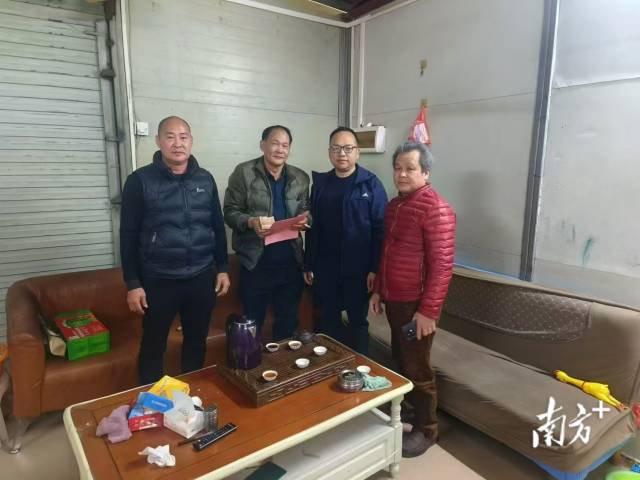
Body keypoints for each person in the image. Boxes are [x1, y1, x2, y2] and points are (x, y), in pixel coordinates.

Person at [120, 116, 230, 385]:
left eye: (183, 137)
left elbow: (216, 225)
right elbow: (128, 235)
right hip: (159, 278)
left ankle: (191, 395)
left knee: (196, 341)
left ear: (191, 141)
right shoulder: (139, 180)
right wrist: (133, 283)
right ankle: (152, 399)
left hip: (201, 276)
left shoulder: (205, 179)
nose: (177, 143)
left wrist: (223, 268)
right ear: (158, 141)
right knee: (153, 344)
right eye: (170, 137)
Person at [369, 141, 456, 457]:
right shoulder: (395, 205)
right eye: (398, 168)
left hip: (417, 306)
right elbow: (388, 253)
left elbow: (442, 267)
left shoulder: (437, 209)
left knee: (418, 367)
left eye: (410, 168)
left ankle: (428, 429)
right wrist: (379, 290)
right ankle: (410, 412)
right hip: (395, 301)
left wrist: (428, 311)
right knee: (401, 358)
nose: (402, 174)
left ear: (426, 172)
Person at [304, 126, 387, 354]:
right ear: (329, 152)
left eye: (348, 148)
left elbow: (381, 231)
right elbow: (313, 228)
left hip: (359, 270)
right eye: (336, 148)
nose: (342, 153)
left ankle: (360, 367)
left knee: (357, 322)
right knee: (328, 320)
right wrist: (308, 263)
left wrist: (375, 269)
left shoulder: (370, 184)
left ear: (357, 152)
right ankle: (331, 365)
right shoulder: (320, 184)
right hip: (326, 267)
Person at [223, 125, 309, 341]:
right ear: (263, 145)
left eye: (285, 145)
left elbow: (307, 211)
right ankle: (251, 362)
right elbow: (230, 212)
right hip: (256, 264)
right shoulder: (244, 173)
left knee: (288, 324)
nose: (280, 149)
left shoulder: (300, 177)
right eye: (275, 143)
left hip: (290, 263)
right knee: (253, 324)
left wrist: (307, 221)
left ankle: (284, 363)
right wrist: (250, 221)